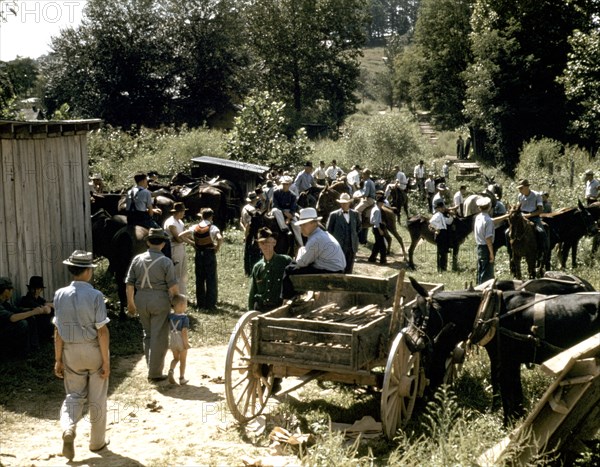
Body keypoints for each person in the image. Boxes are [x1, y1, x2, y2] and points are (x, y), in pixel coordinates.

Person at [53, 250, 110, 460]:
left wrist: (58, 359)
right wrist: (106, 360)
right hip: (93, 349)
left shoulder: (59, 294)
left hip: (70, 350)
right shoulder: (95, 295)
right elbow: (102, 331)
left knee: (73, 395)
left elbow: (57, 331)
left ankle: (68, 427)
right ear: (88, 271)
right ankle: (97, 442)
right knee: (98, 396)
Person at [126, 228, 179, 382]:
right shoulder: (166, 262)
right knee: (160, 337)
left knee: (148, 334)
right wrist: (177, 304)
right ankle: (155, 373)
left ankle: (151, 366)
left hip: (141, 298)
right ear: (163, 244)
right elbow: (173, 288)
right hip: (159, 300)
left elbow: (129, 284)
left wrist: (131, 304)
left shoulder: (137, 259)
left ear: (148, 242)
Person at [281, 208, 346, 298]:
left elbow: (301, 263)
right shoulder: (322, 234)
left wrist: (300, 252)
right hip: (335, 269)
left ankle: (287, 299)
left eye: (304, 224)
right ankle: (297, 296)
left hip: (330, 271)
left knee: (289, 269)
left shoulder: (316, 239)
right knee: (294, 265)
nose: (301, 228)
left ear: (314, 223)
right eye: (301, 225)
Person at [180, 208, 223, 310]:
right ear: (211, 217)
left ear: (201, 216)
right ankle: (210, 304)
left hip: (199, 254)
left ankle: (200, 303)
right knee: (211, 278)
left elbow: (181, 235)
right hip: (209, 254)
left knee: (199, 278)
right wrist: (217, 247)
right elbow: (220, 238)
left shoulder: (195, 227)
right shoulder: (213, 227)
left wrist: (193, 244)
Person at [1, 277, 52, 358]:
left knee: (30, 318)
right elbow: (12, 318)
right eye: (10, 290)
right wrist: (33, 312)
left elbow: (17, 310)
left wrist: (32, 310)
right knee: (23, 323)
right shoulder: (26, 300)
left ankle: (33, 349)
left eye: (38, 288)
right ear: (5, 290)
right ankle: (22, 353)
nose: (11, 292)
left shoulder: (5, 303)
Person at [248, 228, 293, 311]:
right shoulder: (257, 267)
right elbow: (252, 293)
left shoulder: (285, 261)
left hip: (279, 307)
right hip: (261, 308)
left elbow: (294, 284)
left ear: (274, 243)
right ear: (259, 245)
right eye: (262, 243)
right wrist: (250, 312)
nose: (265, 246)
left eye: (268, 242)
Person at [326, 193, 361, 273]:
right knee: (338, 268)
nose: (344, 205)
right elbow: (329, 231)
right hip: (339, 246)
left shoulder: (355, 214)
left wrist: (353, 237)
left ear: (349, 203)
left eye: (345, 203)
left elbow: (359, 227)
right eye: (342, 203)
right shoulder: (334, 215)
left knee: (349, 268)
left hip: (351, 246)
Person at [515, 179, 549, 258]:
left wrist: (529, 215)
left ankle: (543, 250)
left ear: (527, 187)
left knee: (541, 232)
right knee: (509, 232)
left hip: (534, 217)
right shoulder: (520, 196)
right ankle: (513, 252)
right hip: (522, 216)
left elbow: (540, 210)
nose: (520, 190)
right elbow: (518, 208)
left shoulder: (537, 195)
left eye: (521, 188)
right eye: (519, 188)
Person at [18, 275, 54, 345]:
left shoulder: (40, 299)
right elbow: (45, 310)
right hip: (35, 328)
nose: (35, 291)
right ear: (30, 288)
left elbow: (50, 306)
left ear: (41, 289)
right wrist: (47, 306)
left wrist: (48, 306)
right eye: (33, 288)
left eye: (37, 289)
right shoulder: (26, 299)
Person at [163, 202, 188, 295]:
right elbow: (178, 238)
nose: (183, 213)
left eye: (183, 211)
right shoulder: (171, 223)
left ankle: (182, 294)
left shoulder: (180, 222)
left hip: (181, 248)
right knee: (176, 273)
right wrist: (182, 237)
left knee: (182, 273)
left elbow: (183, 236)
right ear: (176, 212)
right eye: (181, 211)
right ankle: (173, 296)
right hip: (174, 248)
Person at [271, 175, 303, 246]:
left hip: (289, 213)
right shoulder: (276, 192)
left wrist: (289, 218)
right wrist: (284, 212)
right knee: (275, 210)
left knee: (297, 226)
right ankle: (284, 228)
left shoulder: (293, 195)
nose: (285, 186)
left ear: (290, 184)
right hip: (279, 211)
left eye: (287, 184)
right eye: (283, 184)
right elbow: (274, 205)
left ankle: (301, 245)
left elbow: (293, 208)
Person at [167, 294, 190, 386]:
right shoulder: (185, 318)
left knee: (176, 358)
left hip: (172, 340)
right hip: (181, 341)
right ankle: (182, 378)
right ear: (181, 305)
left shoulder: (171, 316)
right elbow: (184, 332)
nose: (186, 306)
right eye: (186, 304)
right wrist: (186, 343)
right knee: (183, 360)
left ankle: (171, 370)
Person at [429, 199, 454, 272]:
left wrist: (451, 216)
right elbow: (431, 222)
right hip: (440, 234)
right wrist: (437, 228)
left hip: (444, 234)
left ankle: (443, 268)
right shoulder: (437, 215)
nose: (443, 209)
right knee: (441, 252)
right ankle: (441, 269)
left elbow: (448, 222)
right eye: (442, 207)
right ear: (438, 208)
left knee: (443, 252)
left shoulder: (441, 215)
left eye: (443, 207)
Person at [474, 198, 495, 284]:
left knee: (481, 270)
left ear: (479, 208)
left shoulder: (478, 217)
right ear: (489, 207)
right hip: (486, 247)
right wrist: (491, 253)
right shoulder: (488, 220)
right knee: (487, 274)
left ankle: (478, 287)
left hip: (479, 247)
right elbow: (488, 238)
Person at [368, 195, 388, 265]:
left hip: (376, 227)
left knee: (377, 244)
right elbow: (375, 221)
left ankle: (372, 258)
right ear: (379, 202)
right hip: (377, 228)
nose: (383, 204)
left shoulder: (376, 208)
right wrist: (380, 230)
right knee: (382, 245)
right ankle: (383, 260)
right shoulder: (377, 210)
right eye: (382, 202)